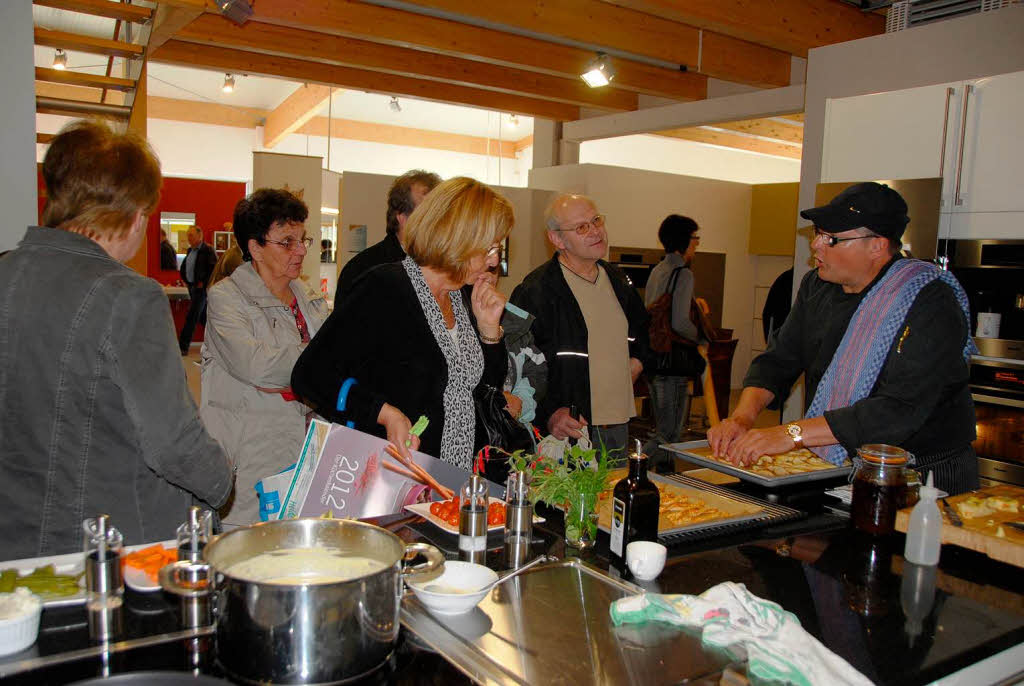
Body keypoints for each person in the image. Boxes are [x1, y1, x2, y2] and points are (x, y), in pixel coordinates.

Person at [0, 120, 233, 558]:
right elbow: (174, 444)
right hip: (108, 554)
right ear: (134, 215)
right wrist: (223, 479)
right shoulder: (128, 296)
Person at [708, 182, 978, 494]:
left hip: (924, 471)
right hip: (840, 464)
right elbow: (779, 360)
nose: (816, 246)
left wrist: (792, 433)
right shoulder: (817, 286)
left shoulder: (928, 301)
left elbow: (898, 408)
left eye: (831, 238)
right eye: (817, 234)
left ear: (876, 245)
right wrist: (742, 418)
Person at [292, 177, 510, 470]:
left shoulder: (465, 295)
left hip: (456, 482)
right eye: (490, 250)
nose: (494, 262)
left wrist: (489, 332)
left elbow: (485, 391)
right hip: (395, 477)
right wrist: (384, 413)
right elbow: (311, 374)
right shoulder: (385, 287)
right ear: (459, 238)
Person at [200, 189, 329, 526]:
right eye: (287, 242)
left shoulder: (309, 297)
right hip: (250, 459)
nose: (300, 250)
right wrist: (320, 361)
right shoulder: (226, 298)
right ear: (255, 247)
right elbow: (259, 366)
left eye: (303, 239)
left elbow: (340, 360)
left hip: (304, 453)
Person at [509, 193, 650, 456]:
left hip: (617, 425)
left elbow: (643, 332)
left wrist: (638, 361)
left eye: (596, 221)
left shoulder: (618, 281)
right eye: (582, 227)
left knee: (612, 495)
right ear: (557, 239)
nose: (595, 231)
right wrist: (549, 412)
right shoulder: (534, 290)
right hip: (568, 429)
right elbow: (515, 364)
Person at [644, 214, 703, 469]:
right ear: (684, 241)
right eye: (695, 239)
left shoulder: (658, 270)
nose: (696, 244)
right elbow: (679, 322)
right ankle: (635, 472)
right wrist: (701, 339)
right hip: (674, 362)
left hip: (655, 359)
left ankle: (660, 479)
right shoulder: (683, 274)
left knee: (663, 429)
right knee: (669, 434)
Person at [334, 169, 441, 299]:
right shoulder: (363, 270)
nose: (439, 222)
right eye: (429, 214)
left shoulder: (445, 270)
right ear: (402, 218)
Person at [178, 224, 217, 354]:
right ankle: (219, 342)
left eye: (191, 235)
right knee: (202, 318)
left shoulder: (207, 250)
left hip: (201, 289)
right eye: (188, 235)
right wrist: (186, 279)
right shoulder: (190, 250)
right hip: (192, 287)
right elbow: (185, 267)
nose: (188, 238)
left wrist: (204, 283)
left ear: (199, 236)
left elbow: (213, 270)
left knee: (192, 316)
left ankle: (182, 347)